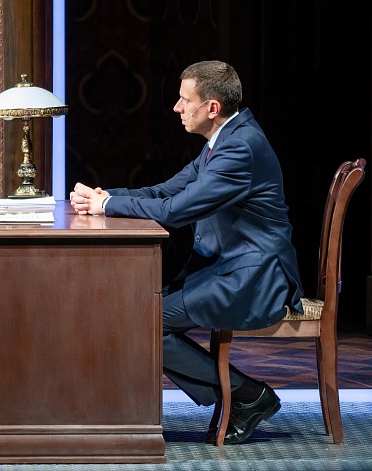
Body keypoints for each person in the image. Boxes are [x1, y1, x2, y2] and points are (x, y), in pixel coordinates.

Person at [69, 60, 304, 445]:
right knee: (140, 316)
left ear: (212, 107)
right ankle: (241, 395)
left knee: (143, 322)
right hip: (229, 268)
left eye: (185, 100)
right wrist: (106, 196)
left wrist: (108, 206)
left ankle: (247, 395)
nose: (177, 108)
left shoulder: (239, 148)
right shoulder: (225, 139)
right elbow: (166, 191)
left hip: (255, 277)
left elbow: (176, 211)